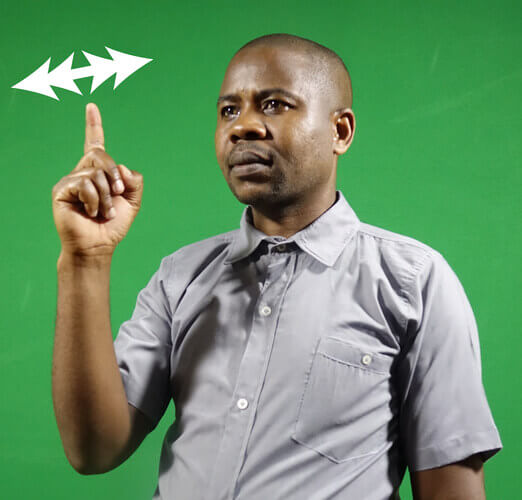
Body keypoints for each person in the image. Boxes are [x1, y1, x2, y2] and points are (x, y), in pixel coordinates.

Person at [51, 33, 502, 500]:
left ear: (340, 131)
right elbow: (93, 450)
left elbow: (452, 491)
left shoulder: (413, 282)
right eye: (229, 110)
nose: (242, 126)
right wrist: (85, 259)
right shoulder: (179, 278)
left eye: (274, 105)